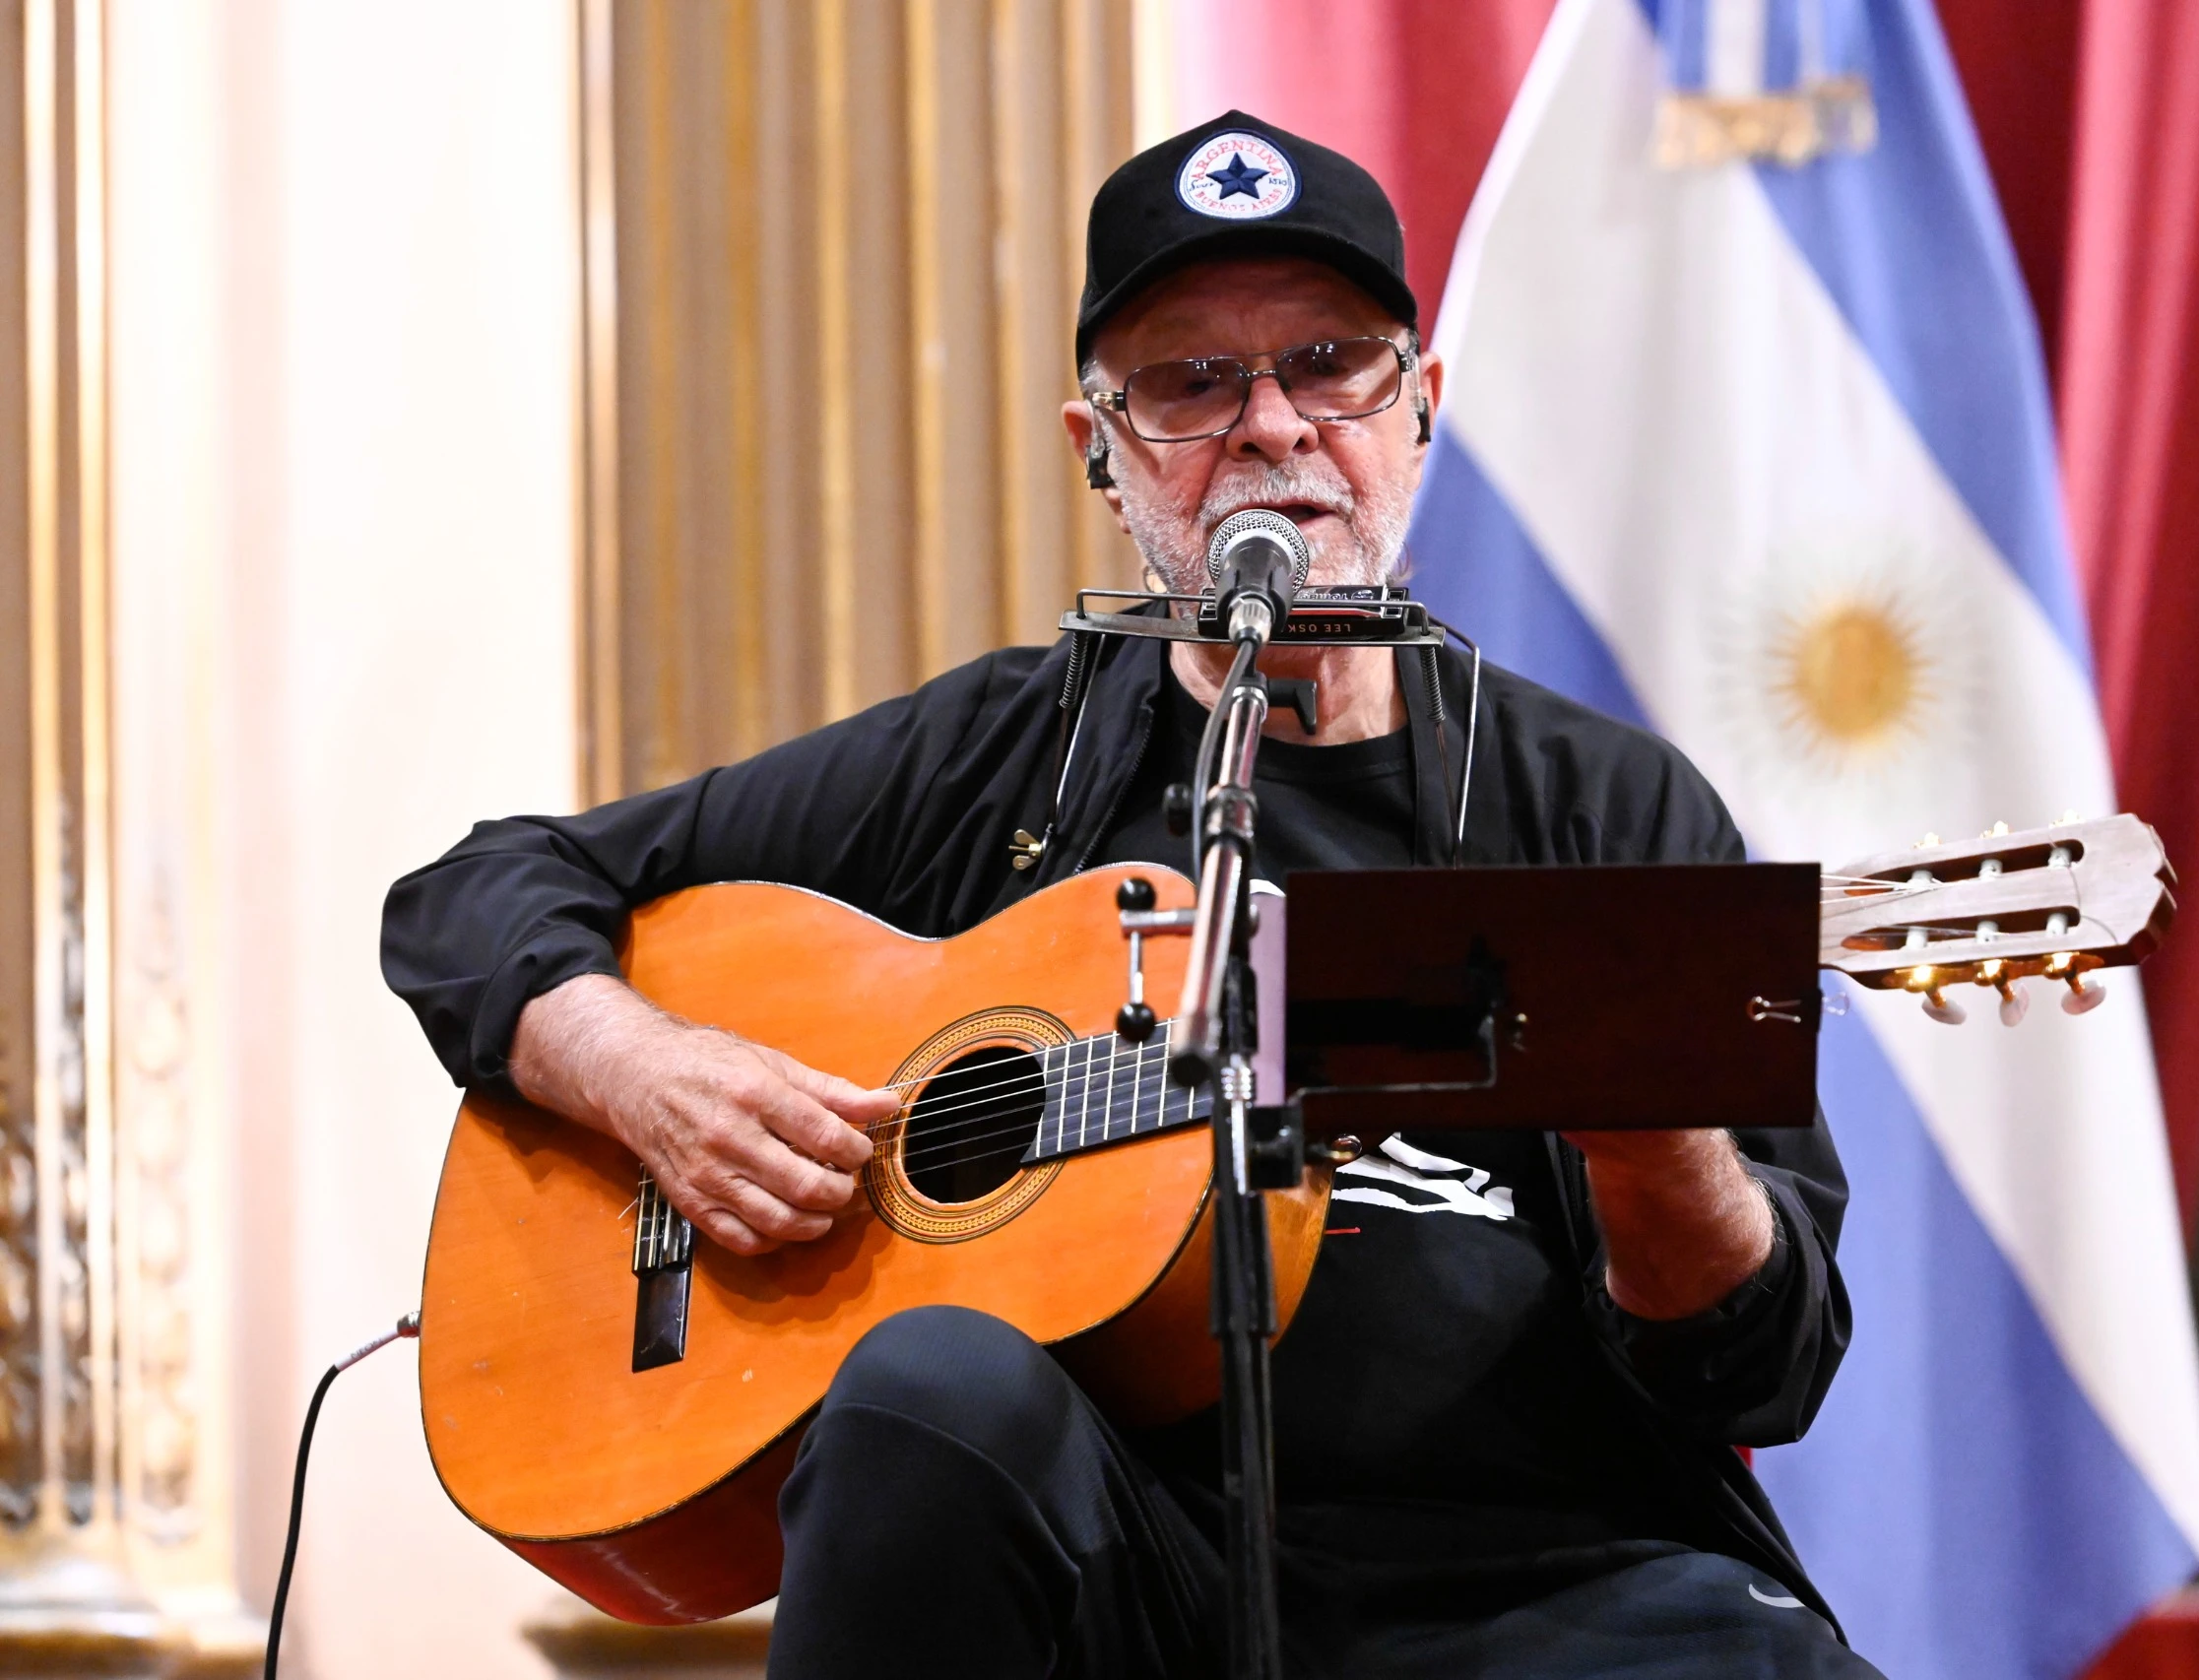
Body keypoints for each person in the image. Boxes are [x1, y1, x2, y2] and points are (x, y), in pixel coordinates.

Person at [383, 112, 1877, 1680]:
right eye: (1191, 381)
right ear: (1099, 453)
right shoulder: (997, 760)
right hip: (1118, 1572)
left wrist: (1658, 1155)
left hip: (1548, 1587)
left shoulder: (1608, 811)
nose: (1275, 426)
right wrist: (643, 1068)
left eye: (1330, 362)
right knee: (924, 1390)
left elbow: (1760, 1376)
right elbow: (468, 896)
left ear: (1419, 410)